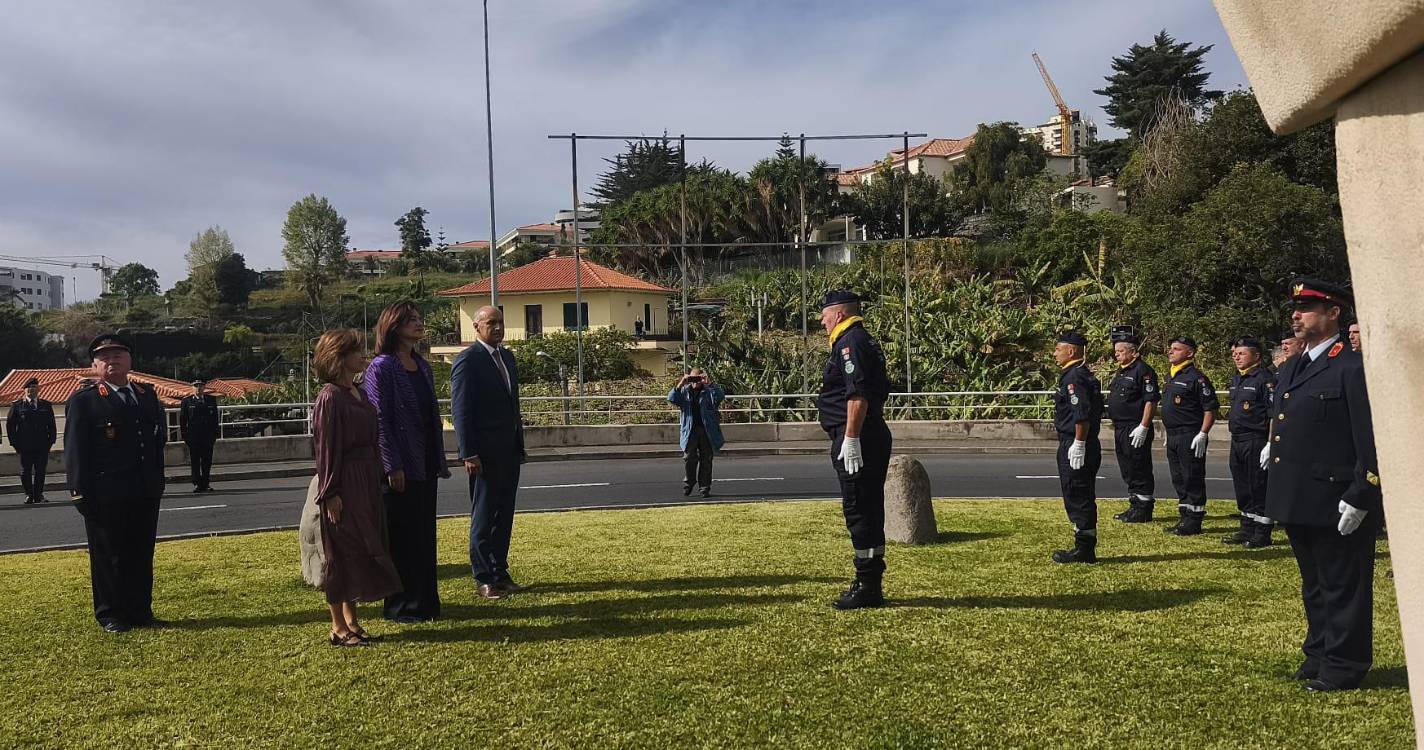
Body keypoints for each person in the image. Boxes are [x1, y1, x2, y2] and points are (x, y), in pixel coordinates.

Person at [1263, 279, 1380, 692]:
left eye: (1307, 307)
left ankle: (1345, 664)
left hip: (1338, 497)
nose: (1296, 314)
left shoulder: (1352, 366)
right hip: (1301, 494)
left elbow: (1371, 439)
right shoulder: (1295, 365)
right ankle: (1318, 653)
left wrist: (1362, 493)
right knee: (1314, 583)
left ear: (1334, 313)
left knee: (1343, 585)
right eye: (1295, 307)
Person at [63, 334, 167, 633]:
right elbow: (75, 451)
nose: (112, 360)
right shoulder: (85, 401)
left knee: (141, 552)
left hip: (144, 489)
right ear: (95, 365)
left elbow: (156, 441)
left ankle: (140, 610)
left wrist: (157, 480)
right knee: (108, 555)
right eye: (104, 356)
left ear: (130, 360)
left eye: (118, 354)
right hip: (105, 493)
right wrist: (79, 492)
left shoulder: (146, 396)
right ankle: (110, 613)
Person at [311, 329, 403, 647]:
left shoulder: (359, 393)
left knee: (362, 548)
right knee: (342, 552)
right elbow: (326, 450)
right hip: (344, 481)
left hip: (366, 480)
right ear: (339, 357)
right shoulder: (329, 398)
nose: (362, 354)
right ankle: (337, 626)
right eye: (355, 350)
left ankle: (352, 621)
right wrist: (331, 493)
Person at [364, 302, 449, 624]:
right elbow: (380, 420)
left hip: (425, 461)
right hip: (399, 467)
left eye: (418, 318)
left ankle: (426, 602)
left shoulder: (421, 365)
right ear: (394, 327)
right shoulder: (381, 368)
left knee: (424, 536)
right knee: (401, 540)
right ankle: (401, 606)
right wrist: (391, 465)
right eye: (411, 320)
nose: (419, 323)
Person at [816, 290, 892, 610]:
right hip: (867, 434)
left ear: (840, 315)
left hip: (860, 437)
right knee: (868, 509)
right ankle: (869, 582)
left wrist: (851, 438)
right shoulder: (859, 340)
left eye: (824, 315)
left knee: (859, 509)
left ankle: (867, 586)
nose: (822, 321)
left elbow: (857, 395)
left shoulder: (850, 342)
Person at [450, 306, 527, 601]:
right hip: (482, 454)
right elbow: (461, 411)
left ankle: (500, 572)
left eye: (501, 322)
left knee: (504, 515)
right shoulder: (468, 361)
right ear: (477, 326)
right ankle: (484, 578)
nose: (497, 327)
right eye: (491, 322)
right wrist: (468, 453)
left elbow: (513, 407)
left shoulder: (507, 358)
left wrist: (519, 445)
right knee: (483, 517)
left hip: (508, 451)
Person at [1050, 331, 1105, 564]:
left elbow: (1081, 415)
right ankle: (1083, 543)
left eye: (1058, 348)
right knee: (1078, 492)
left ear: (1071, 351)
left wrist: (1078, 444)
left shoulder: (1074, 377)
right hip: (1079, 441)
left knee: (1077, 493)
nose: (1054, 353)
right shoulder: (1077, 375)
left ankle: (1084, 548)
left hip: (1075, 442)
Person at [1160, 336, 1220, 536]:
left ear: (1190, 353)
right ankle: (1184, 515)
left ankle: (1194, 520)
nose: (1171, 351)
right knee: (1178, 477)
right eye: (1171, 348)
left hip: (1190, 434)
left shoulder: (1196, 378)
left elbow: (1210, 409)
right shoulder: (1172, 376)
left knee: (1191, 476)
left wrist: (1203, 433)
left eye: (1176, 349)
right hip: (1174, 434)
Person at [1224, 337, 1276, 548]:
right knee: (1243, 485)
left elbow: (1274, 414)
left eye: (1242, 353)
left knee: (1258, 485)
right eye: (1235, 354)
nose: (1237, 357)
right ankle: (1246, 527)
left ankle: (1262, 531)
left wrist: (1270, 443)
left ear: (1256, 356)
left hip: (1256, 439)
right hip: (1237, 439)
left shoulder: (1264, 379)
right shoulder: (1238, 378)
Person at [1104, 326, 1159, 523]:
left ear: (1133, 352)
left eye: (1120, 351)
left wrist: (1144, 426)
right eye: (1116, 351)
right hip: (1121, 428)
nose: (1116, 355)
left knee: (1139, 466)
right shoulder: (1122, 372)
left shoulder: (1143, 371)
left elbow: (1150, 400)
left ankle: (1144, 508)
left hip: (1135, 427)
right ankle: (1135, 504)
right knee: (1127, 467)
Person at [668, 367, 725, 498]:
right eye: (693, 378)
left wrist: (709, 383)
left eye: (698, 378)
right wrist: (681, 383)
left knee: (706, 460)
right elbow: (671, 398)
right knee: (689, 458)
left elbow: (720, 397)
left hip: (707, 431)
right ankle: (689, 482)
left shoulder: (709, 392)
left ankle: (704, 488)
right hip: (690, 430)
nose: (696, 381)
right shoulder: (684, 391)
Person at [8, 376, 57, 504]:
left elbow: (52, 425)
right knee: (25, 471)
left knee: (41, 471)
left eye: (34, 387)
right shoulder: (17, 406)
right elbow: (10, 426)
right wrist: (14, 443)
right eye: (29, 388)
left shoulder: (46, 405)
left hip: (42, 445)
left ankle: (39, 495)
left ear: (38, 389)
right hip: (24, 445)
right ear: (24, 390)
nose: (31, 390)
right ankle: (29, 494)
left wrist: (51, 441)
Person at [178, 379, 220, 493]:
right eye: (196, 386)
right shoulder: (187, 402)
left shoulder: (211, 400)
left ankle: (206, 483)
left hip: (208, 437)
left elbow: (215, 419)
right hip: (194, 437)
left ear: (204, 387)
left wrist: (215, 434)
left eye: (201, 386)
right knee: (195, 461)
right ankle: (197, 483)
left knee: (207, 461)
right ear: (192, 388)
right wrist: (185, 436)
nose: (198, 388)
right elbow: (183, 420)